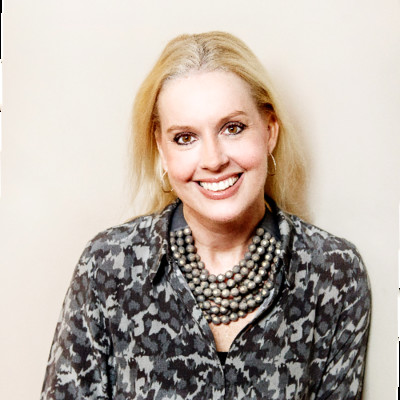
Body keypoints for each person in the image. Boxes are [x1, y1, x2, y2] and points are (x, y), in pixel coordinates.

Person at [41, 31, 371, 400]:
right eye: (185, 137)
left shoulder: (333, 273)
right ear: (161, 149)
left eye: (233, 128)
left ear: (269, 131)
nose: (213, 160)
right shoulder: (108, 266)